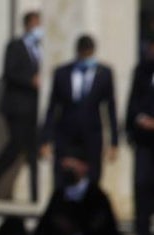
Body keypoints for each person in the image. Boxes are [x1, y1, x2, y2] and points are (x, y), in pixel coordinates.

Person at [41, 35, 120, 185]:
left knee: (92, 177)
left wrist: (114, 142)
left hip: (92, 135)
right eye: (83, 53)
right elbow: (52, 108)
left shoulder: (104, 74)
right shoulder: (62, 73)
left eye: (88, 54)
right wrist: (45, 139)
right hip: (66, 135)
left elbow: (111, 108)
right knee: (63, 176)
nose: (85, 58)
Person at [0, 10, 44, 202]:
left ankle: (36, 194)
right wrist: (30, 80)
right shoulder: (15, 46)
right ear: (28, 25)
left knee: (34, 151)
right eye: (36, 24)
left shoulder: (40, 49)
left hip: (34, 109)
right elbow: (9, 73)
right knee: (15, 146)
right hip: (17, 107)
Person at [126, 37, 154, 235]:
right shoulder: (141, 71)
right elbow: (133, 102)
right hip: (144, 141)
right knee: (142, 185)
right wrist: (136, 121)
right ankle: (142, 234)